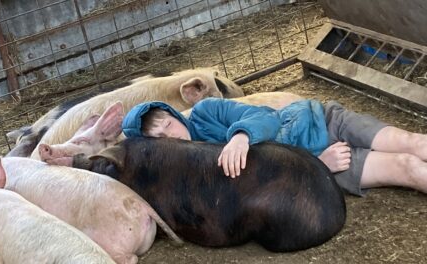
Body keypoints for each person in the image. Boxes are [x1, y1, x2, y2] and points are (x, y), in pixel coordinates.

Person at [121, 98, 427, 196]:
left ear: (173, 115)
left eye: (167, 124)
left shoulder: (206, 110)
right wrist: (317, 167)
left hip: (322, 120)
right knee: (407, 166)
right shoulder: (192, 171)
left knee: (412, 143)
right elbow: (264, 187)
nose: (170, 135)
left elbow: (264, 116)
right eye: (158, 138)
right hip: (322, 165)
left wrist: (240, 136)